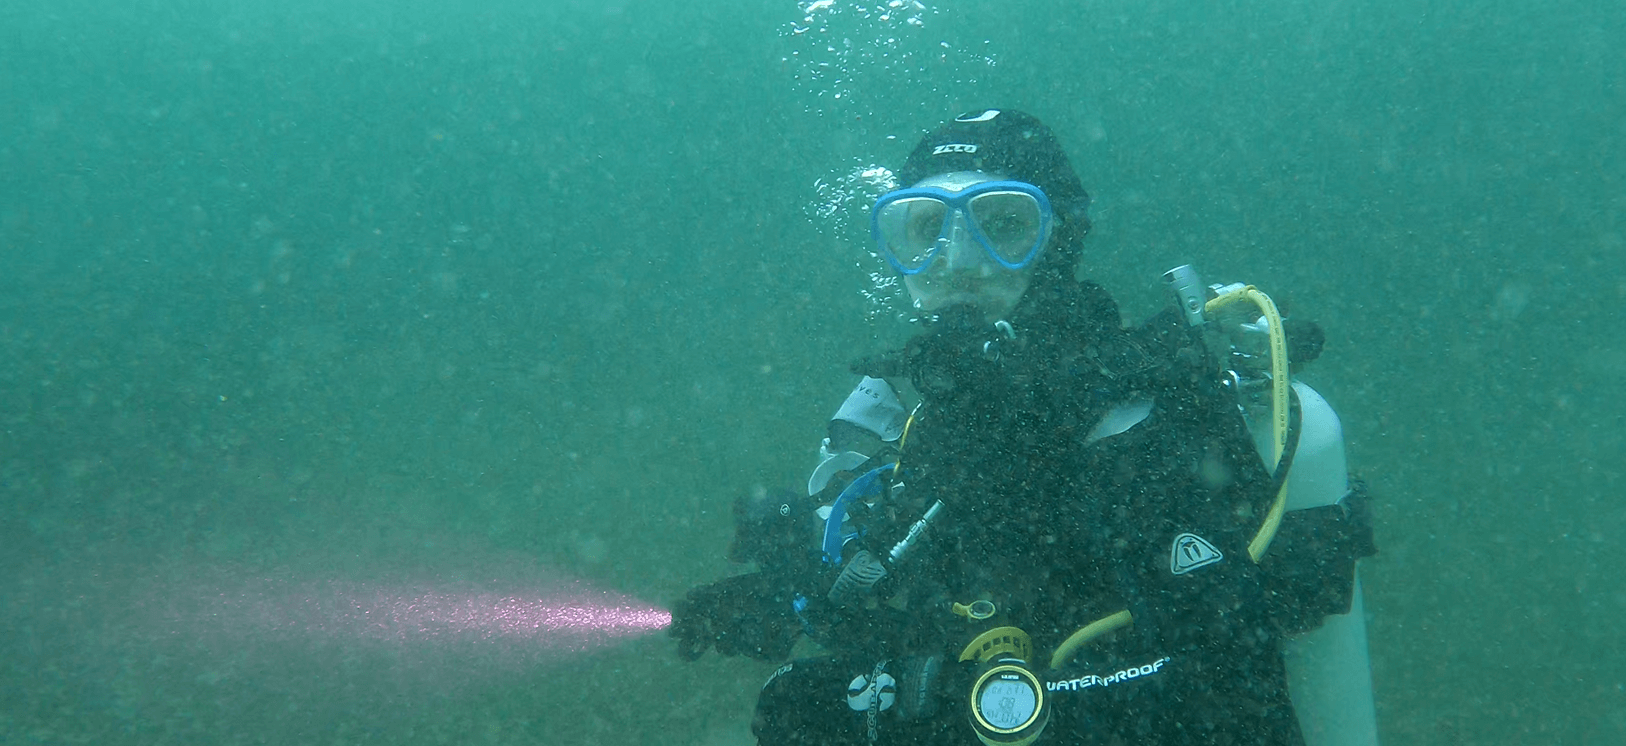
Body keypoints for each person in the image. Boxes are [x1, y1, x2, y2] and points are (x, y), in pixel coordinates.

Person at [670, 109, 1377, 746]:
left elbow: (1226, 697)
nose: (957, 261)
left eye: (1002, 225)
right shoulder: (909, 417)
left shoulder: (1141, 421)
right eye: (923, 230)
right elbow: (917, 600)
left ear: (1059, 241)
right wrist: (797, 596)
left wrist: (915, 702)